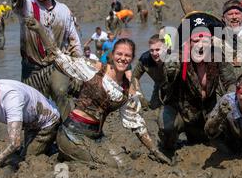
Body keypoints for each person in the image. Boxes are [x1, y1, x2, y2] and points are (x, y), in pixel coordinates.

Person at [23, 18, 170, 167]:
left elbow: (136, 123)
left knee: (123, 163)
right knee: (110, 165)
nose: (123, 58)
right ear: (112, 55)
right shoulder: (94, 68)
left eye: (127, 56)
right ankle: (65, 154)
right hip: (72, 133)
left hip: (97, 136)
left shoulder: (126, 89)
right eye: (119, 54)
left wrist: (154, 150)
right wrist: (41, 30)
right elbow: (60, 58)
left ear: (132, 59)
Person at [159, 12, 236, 156]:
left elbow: (230, 82)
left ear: (211, 43)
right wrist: (170, 72)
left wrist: (229, 100)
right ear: (188, 43)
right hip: (184, 113)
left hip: (209, 113)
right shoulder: (178, 57)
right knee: (166, 126)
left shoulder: (218, 57)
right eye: (195, 41)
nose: (200, 45)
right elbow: (166, 81)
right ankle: (167, 149)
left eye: (205, 41)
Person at [11, 0, 82, 121]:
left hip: (56, 65)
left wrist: (78, 73)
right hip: (31, 68)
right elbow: (16, 1)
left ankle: (68, 133)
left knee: (61, 92)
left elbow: (75, 42)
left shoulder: (63, 10)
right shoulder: (26, 7)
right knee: (34, 108)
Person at [0, 75, 61, 172]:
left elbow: (15, 143)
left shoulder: (11, 99)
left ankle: (54, 146)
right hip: (30, 121)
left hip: (47, 122)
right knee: (24, 149)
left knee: (26, 158)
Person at [132, 35, 168, 110]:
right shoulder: (145, 59)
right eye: (151, 50)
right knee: (152, 108)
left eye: (158, 50)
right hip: (159, 84)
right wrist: (140, 97)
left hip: (176, 87)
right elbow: (134, 77)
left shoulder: (173, 58)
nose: (154, 53)